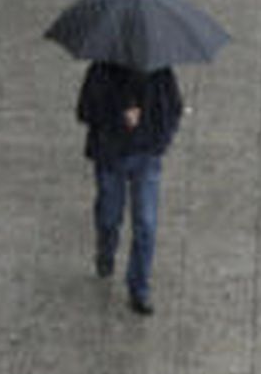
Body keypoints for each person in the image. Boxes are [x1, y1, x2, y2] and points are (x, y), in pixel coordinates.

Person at [75, 61, 183, 316]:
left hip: (146, 156)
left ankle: (139, 287)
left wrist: (159, 139)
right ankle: (106, 252)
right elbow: (85, 111)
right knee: (109, 216)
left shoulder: (159, 72)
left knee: (146, 223)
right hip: (111, 156)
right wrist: (119, 114)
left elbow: (174, 108)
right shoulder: (102, 70)